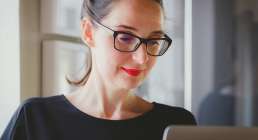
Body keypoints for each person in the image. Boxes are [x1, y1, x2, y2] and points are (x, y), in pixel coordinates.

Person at [0, 0, 196, 139]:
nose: (142, 58)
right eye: (126, 37)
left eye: (153, 41)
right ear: (88, 32)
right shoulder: (35, 119)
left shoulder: (176, 125)